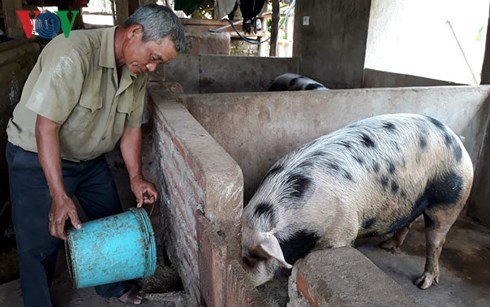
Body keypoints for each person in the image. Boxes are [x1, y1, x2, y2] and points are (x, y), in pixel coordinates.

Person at [5, 4, 186, 307]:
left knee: (110, 219)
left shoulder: (136, 71)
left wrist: (135, 177)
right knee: (40, 242)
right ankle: (38, 301)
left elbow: (130, 130)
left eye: (160, 63)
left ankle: (111, 286)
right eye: (154, 57)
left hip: (88, 160)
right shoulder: (73, 53)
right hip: (35, 155)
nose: (153, 67)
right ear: (134, 33)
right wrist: (59, 195)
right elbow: (46, 127)